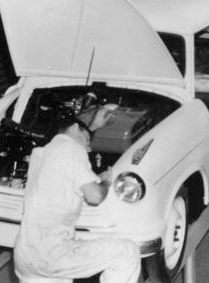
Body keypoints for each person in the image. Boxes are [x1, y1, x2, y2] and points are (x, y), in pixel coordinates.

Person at [14, 110, 141, 283]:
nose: (88, 148)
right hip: (53, 254)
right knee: (127, 252)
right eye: (88, 142)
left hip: (25, 256)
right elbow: (94, 196)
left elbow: (67, 171)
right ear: (74, 127)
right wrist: (105, 182)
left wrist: (93, 127)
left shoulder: (40, 154)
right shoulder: (71, 147)